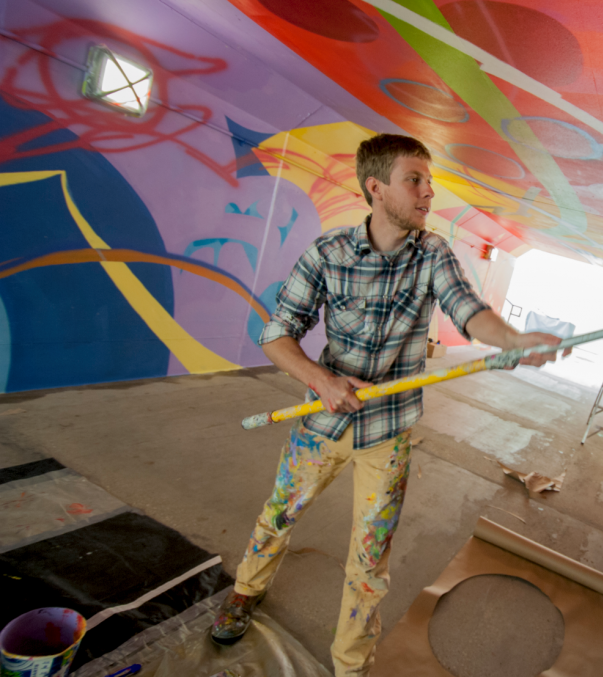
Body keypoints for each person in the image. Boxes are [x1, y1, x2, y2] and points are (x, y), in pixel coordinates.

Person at [210, 134, 564, 675]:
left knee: (370, 558)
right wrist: (320, 379)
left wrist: (512, 340)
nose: (428, 192)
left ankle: (350, 664)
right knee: (279, 515)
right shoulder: (327, 253)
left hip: (389, 434)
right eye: (414, 180)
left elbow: (469, 310)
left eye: (428, 180)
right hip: (320, 424)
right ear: (376, 188)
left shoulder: (434, 253)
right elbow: (276, 333)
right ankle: (244, 592)